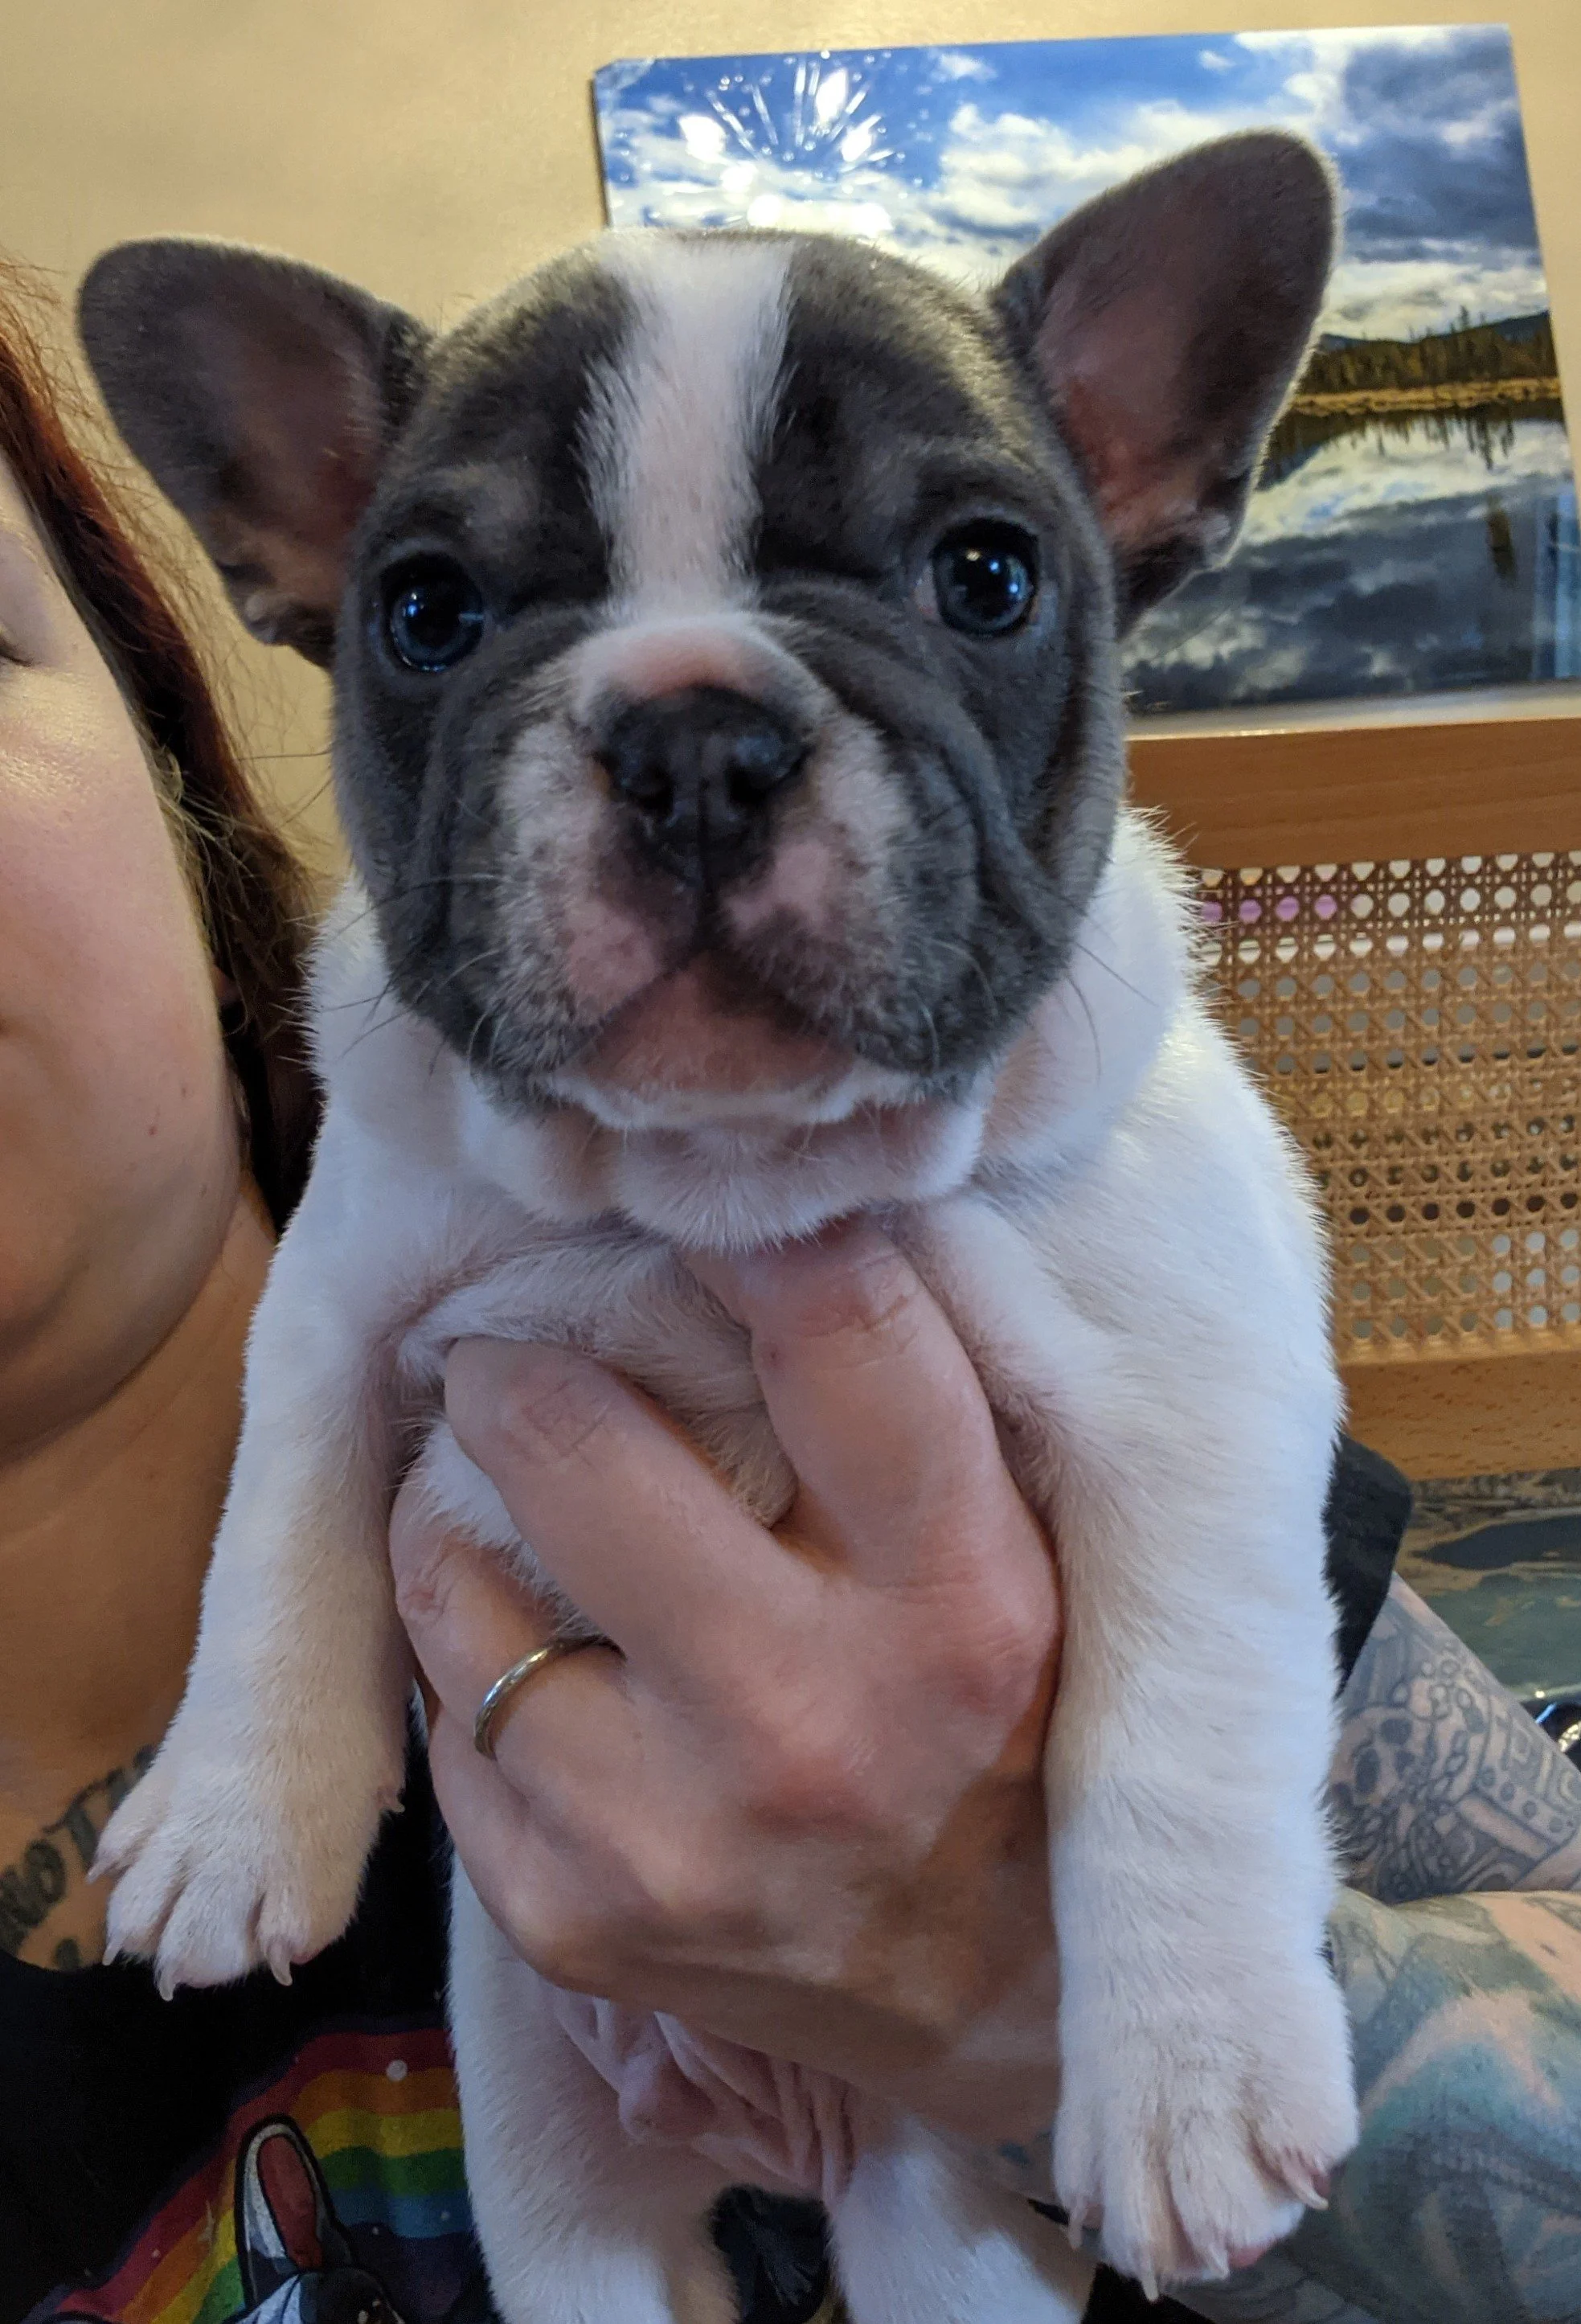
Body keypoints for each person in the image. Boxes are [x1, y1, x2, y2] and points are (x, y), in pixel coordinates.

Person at [2, 248, 1579, 2324]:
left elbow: (1486, 1832)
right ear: (292, 555)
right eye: (447, 613)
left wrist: (1018, 2000)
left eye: (977, 576)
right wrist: (278, 1715)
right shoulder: (415, 1179)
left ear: (160, 705)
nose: (694, 768)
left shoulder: (1098, 1178)